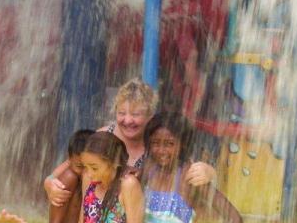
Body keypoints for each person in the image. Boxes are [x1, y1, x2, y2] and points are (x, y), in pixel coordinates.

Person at [44, 78, 216, 207]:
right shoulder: (103, 136)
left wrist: (209, 172)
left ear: (150, 115)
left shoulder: (158, 144)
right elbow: (71, 163)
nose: (127, 120)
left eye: (135, 114)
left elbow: (190, 167)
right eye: (121, 113)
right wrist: (49, 182)